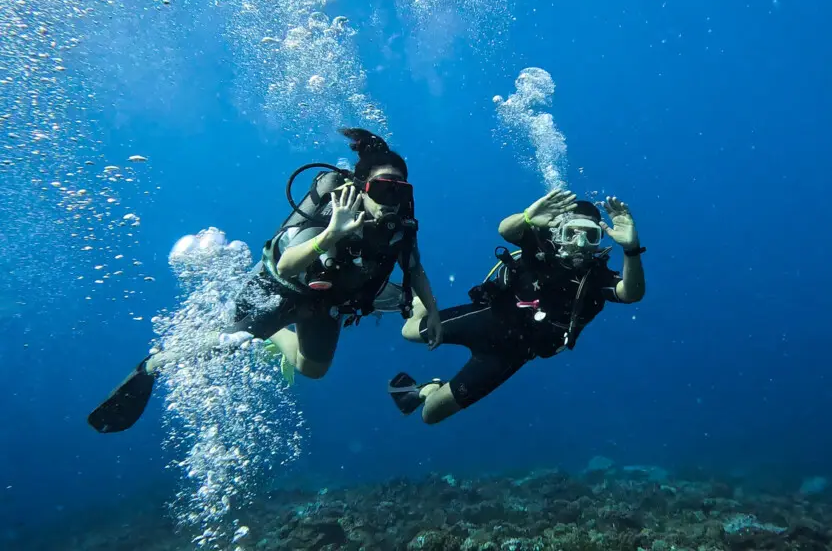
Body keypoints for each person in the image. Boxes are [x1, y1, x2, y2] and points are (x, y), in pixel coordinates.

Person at [88, 128, 444, 433]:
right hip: (281, 292)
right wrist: (332, 234)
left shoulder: (399, 228)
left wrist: (435, 312)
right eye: (383, 190)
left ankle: (273, 333)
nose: (392, 202)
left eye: (401, 191)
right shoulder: (331, 214)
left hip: (328, 302)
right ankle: (153, 364)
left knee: (312, 369)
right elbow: (289, 267)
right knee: (234, 340)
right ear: (362, 188)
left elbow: (415, 269)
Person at [387, 189, 646, 424]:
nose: (578, 243)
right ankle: (418, 298)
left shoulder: (596, 276)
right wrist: (528, 217)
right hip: (486, 320)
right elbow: (506, 231)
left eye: (590, 236)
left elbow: (631, 293)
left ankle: (429, 388)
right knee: (408, 332)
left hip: (512, 354)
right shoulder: (540, 246)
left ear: (600, 240)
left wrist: (631, 249)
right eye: (571, 233)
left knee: (430, 414)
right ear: (558, 233)